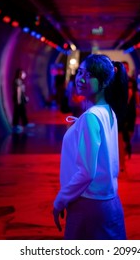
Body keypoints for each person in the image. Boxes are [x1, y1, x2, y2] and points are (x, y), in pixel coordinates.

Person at [52, 54, 128, 239]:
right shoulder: (108, 111)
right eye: (80, 72)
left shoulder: (91, 117)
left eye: (89, 75)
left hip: (88, 205)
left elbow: (86, 172)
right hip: (109, 201)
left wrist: (61, 199)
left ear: (103, 83)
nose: (81, 78)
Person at [12, 68, 34, 133]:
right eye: (23, 73)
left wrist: (24, 97)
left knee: (22, 111)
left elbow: (21, 91)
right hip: (18, 99)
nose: (24, 74)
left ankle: (25, 123)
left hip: (21, 99)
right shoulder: (17, 81)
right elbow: (18, 91)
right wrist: (18, 100)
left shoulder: (19, 81)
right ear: (20, 74)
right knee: (17, 112)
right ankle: (15, 125)